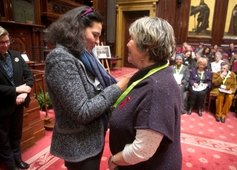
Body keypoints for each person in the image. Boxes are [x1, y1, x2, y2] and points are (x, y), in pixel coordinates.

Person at [43, 6, 130, 170]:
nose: (97, 41)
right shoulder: (61, 58)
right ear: (77, 30)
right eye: (95, 35)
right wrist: (118, 88)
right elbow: (82, 112)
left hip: (93, 136)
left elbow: (97, 87)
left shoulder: (83, 55)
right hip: (79, 143)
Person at [108, 16, 182, 170]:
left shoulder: (156, 88)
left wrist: (114, 160)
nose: (128, 43)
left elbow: (142, 150)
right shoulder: (155, 74)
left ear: (147, 47)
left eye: (132, 39)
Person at [0, 26, 33, 170]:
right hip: (2, 106)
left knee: (16, 134)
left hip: (18, 103)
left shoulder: (15, 55)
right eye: (1, 42)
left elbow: (30, 76)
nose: (6, 45)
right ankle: (10, 164)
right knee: (3, 138)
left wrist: (24, 93)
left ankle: (18, 159)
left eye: (7, 41)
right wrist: (15, 89)